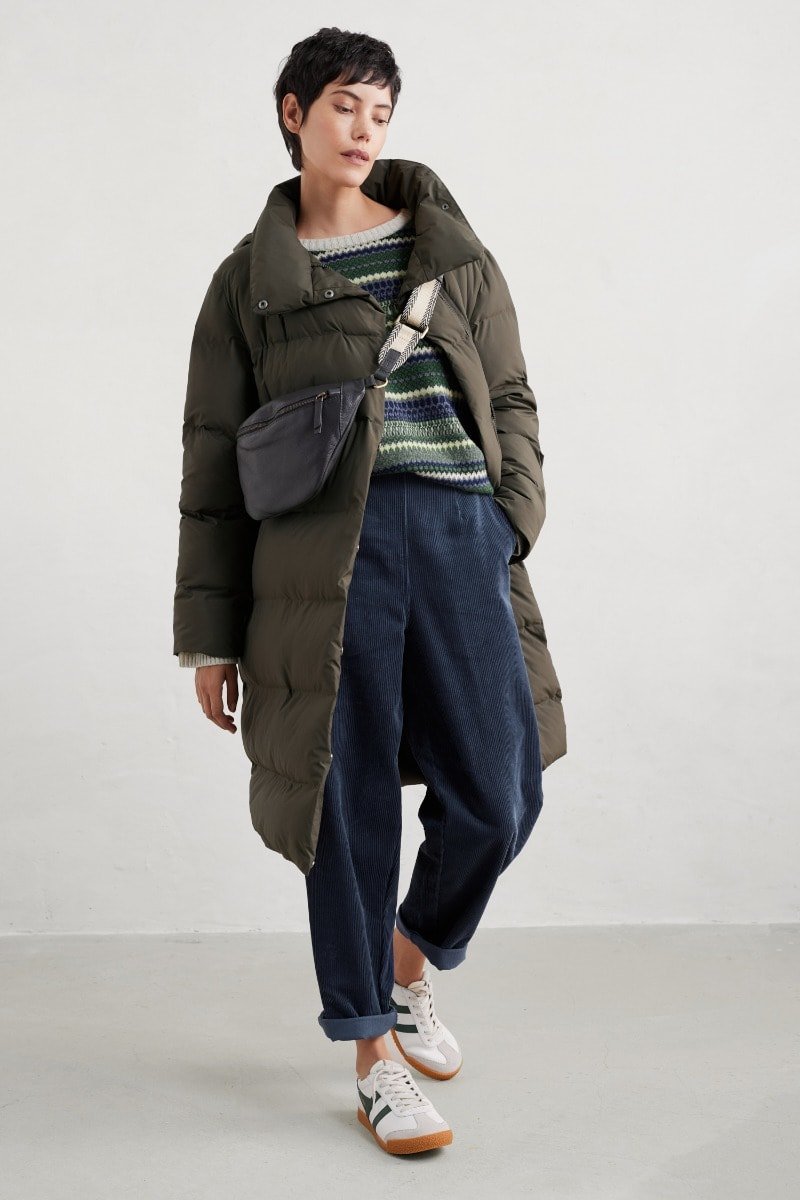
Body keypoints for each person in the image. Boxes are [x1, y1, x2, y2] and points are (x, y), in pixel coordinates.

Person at [173, 26, 565, 1156]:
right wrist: (211, 638)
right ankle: (370, 1056)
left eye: (382, 111)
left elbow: (512, 394)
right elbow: (211, 467)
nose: (364, 130)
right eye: (345, 105)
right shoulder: (249, 283)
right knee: (345, 811)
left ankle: (404, 966)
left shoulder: (449, 249)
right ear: (293, 112)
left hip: (458, 533)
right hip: (320, 560)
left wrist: (509, 519)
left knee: (500, 792)